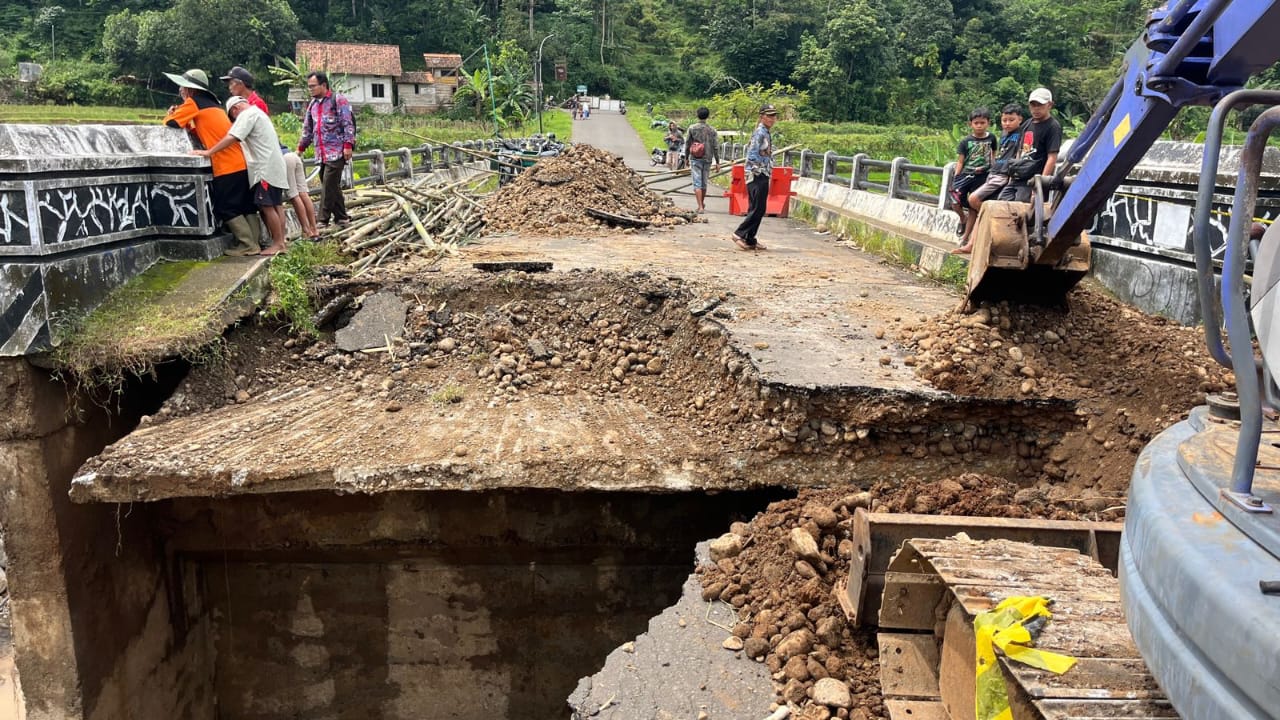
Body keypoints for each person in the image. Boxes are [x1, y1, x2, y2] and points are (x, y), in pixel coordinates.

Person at [161, 68, 260, 256]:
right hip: (240, 161)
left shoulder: (193, 102)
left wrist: (169, 114)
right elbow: (206, 128)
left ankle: (247, 245)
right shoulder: (214, 104)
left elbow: (172, 123)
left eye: (183, 88)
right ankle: (255, 242)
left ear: (190, 90)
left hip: (225, 164)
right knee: (246, 205)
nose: (181, 91)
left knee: (226, 206)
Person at [193, 96, 290, 255]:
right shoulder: (258, 113)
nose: (235, 120)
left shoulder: (247, 115)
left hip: (265, 168)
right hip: (274, 166)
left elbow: (232, 137)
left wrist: (209, 151)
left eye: (233, 117)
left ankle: (278, 243)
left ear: (235, 110)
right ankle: (280, 242)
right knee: (274, 204)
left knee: (266, 206)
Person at [955, 104, 1024, 254]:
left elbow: (1019, 154)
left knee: (974, 200)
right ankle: (971, 244)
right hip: (993, 172)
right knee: (980, 207)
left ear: (1020, 119)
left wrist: (1012, 174)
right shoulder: (1004, 134)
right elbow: (998, 154)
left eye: (1011, 120)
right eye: (1004, 120)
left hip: (1003, 175)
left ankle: (993, 221)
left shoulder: (1021, 134)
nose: (1007, 123)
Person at [298, 71, 355, 228]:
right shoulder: (313, 105)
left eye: (313, 86)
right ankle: (342, 217)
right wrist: (300, 148)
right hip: (322, 154)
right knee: (331, 185)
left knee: (328, 184)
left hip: (337, 152)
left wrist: (348, 146)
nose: (310, 89)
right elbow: (308, 129)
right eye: (309, 87)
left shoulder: (338, 100)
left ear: (323, 85)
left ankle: (322, 220)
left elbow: (347, 124)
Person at [998, 87, 1062, 203]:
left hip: (1033, 178)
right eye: (1033, 105)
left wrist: (1040, 184)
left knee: (1022, 210)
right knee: (1001, 204)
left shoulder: (1053, 126)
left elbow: (1052, 157)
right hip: (1018, 176)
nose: (1036, 109)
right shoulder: (1027, 123)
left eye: (1040, 105)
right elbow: (1019, 151)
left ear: (1049, 105)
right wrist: (1012, 175)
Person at [948, 107, 997, 250]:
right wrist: (957, 176)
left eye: (982, 122)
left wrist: (993, 169)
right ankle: (962, 219)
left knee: (973, 209)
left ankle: (965, 238)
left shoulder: (991, 138)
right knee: (954, 201)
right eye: (976, 123)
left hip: (983, 176)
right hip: (966, 174)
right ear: (970, 124)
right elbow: (961, 161)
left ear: (988, 123)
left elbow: (993, 154)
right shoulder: (965, 141)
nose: (979, 126)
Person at [732, 104, 778, 251]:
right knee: (758, 208)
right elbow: (752, 153)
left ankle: (750, 239)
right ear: (761, 116)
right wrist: (758, 170)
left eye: (773, 116)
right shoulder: (760, 133)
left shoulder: (765, 132)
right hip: (757, 173)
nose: (772, 119)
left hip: (763, 172)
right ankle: (739, 233)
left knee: (757, 207)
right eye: (769, 115)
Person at [683, 106, 721, 214]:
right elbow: (715, 146)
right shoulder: (712, 130)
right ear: (708, 116)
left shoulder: (692, 128)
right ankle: (702, 204)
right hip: (708, 158)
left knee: (697, 182)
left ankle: (700, 207)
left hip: (696, 158)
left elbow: (687, 144)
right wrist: (718, 162)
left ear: (697, 115)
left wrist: (686, 157)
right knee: (704, 183)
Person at [283, 146, 320, 240]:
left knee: (294, 195)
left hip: (284, 159)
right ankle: (314, 229)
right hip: (293, 156)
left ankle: (306, 231)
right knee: (303, 193)